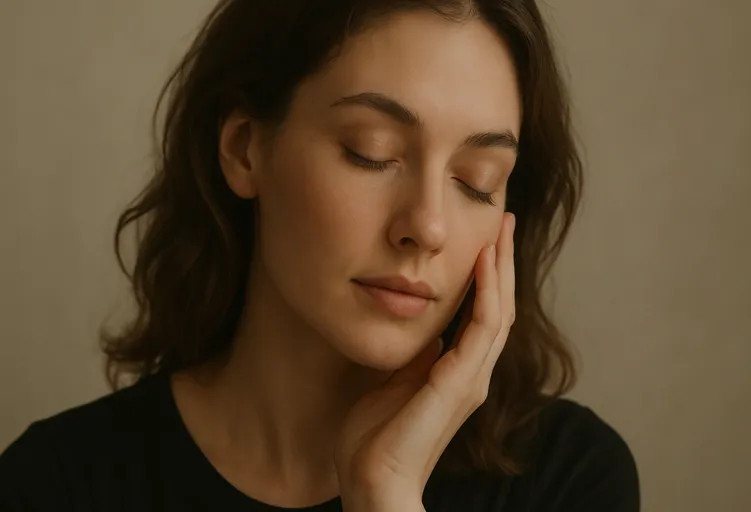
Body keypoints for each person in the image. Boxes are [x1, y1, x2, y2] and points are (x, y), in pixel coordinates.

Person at [0, 0, 640, 510]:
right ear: (246, 148)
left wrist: (384, 496)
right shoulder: (53, 484)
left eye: (477, 180)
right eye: (371, 151)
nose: (427, 226)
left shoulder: (568, 477)